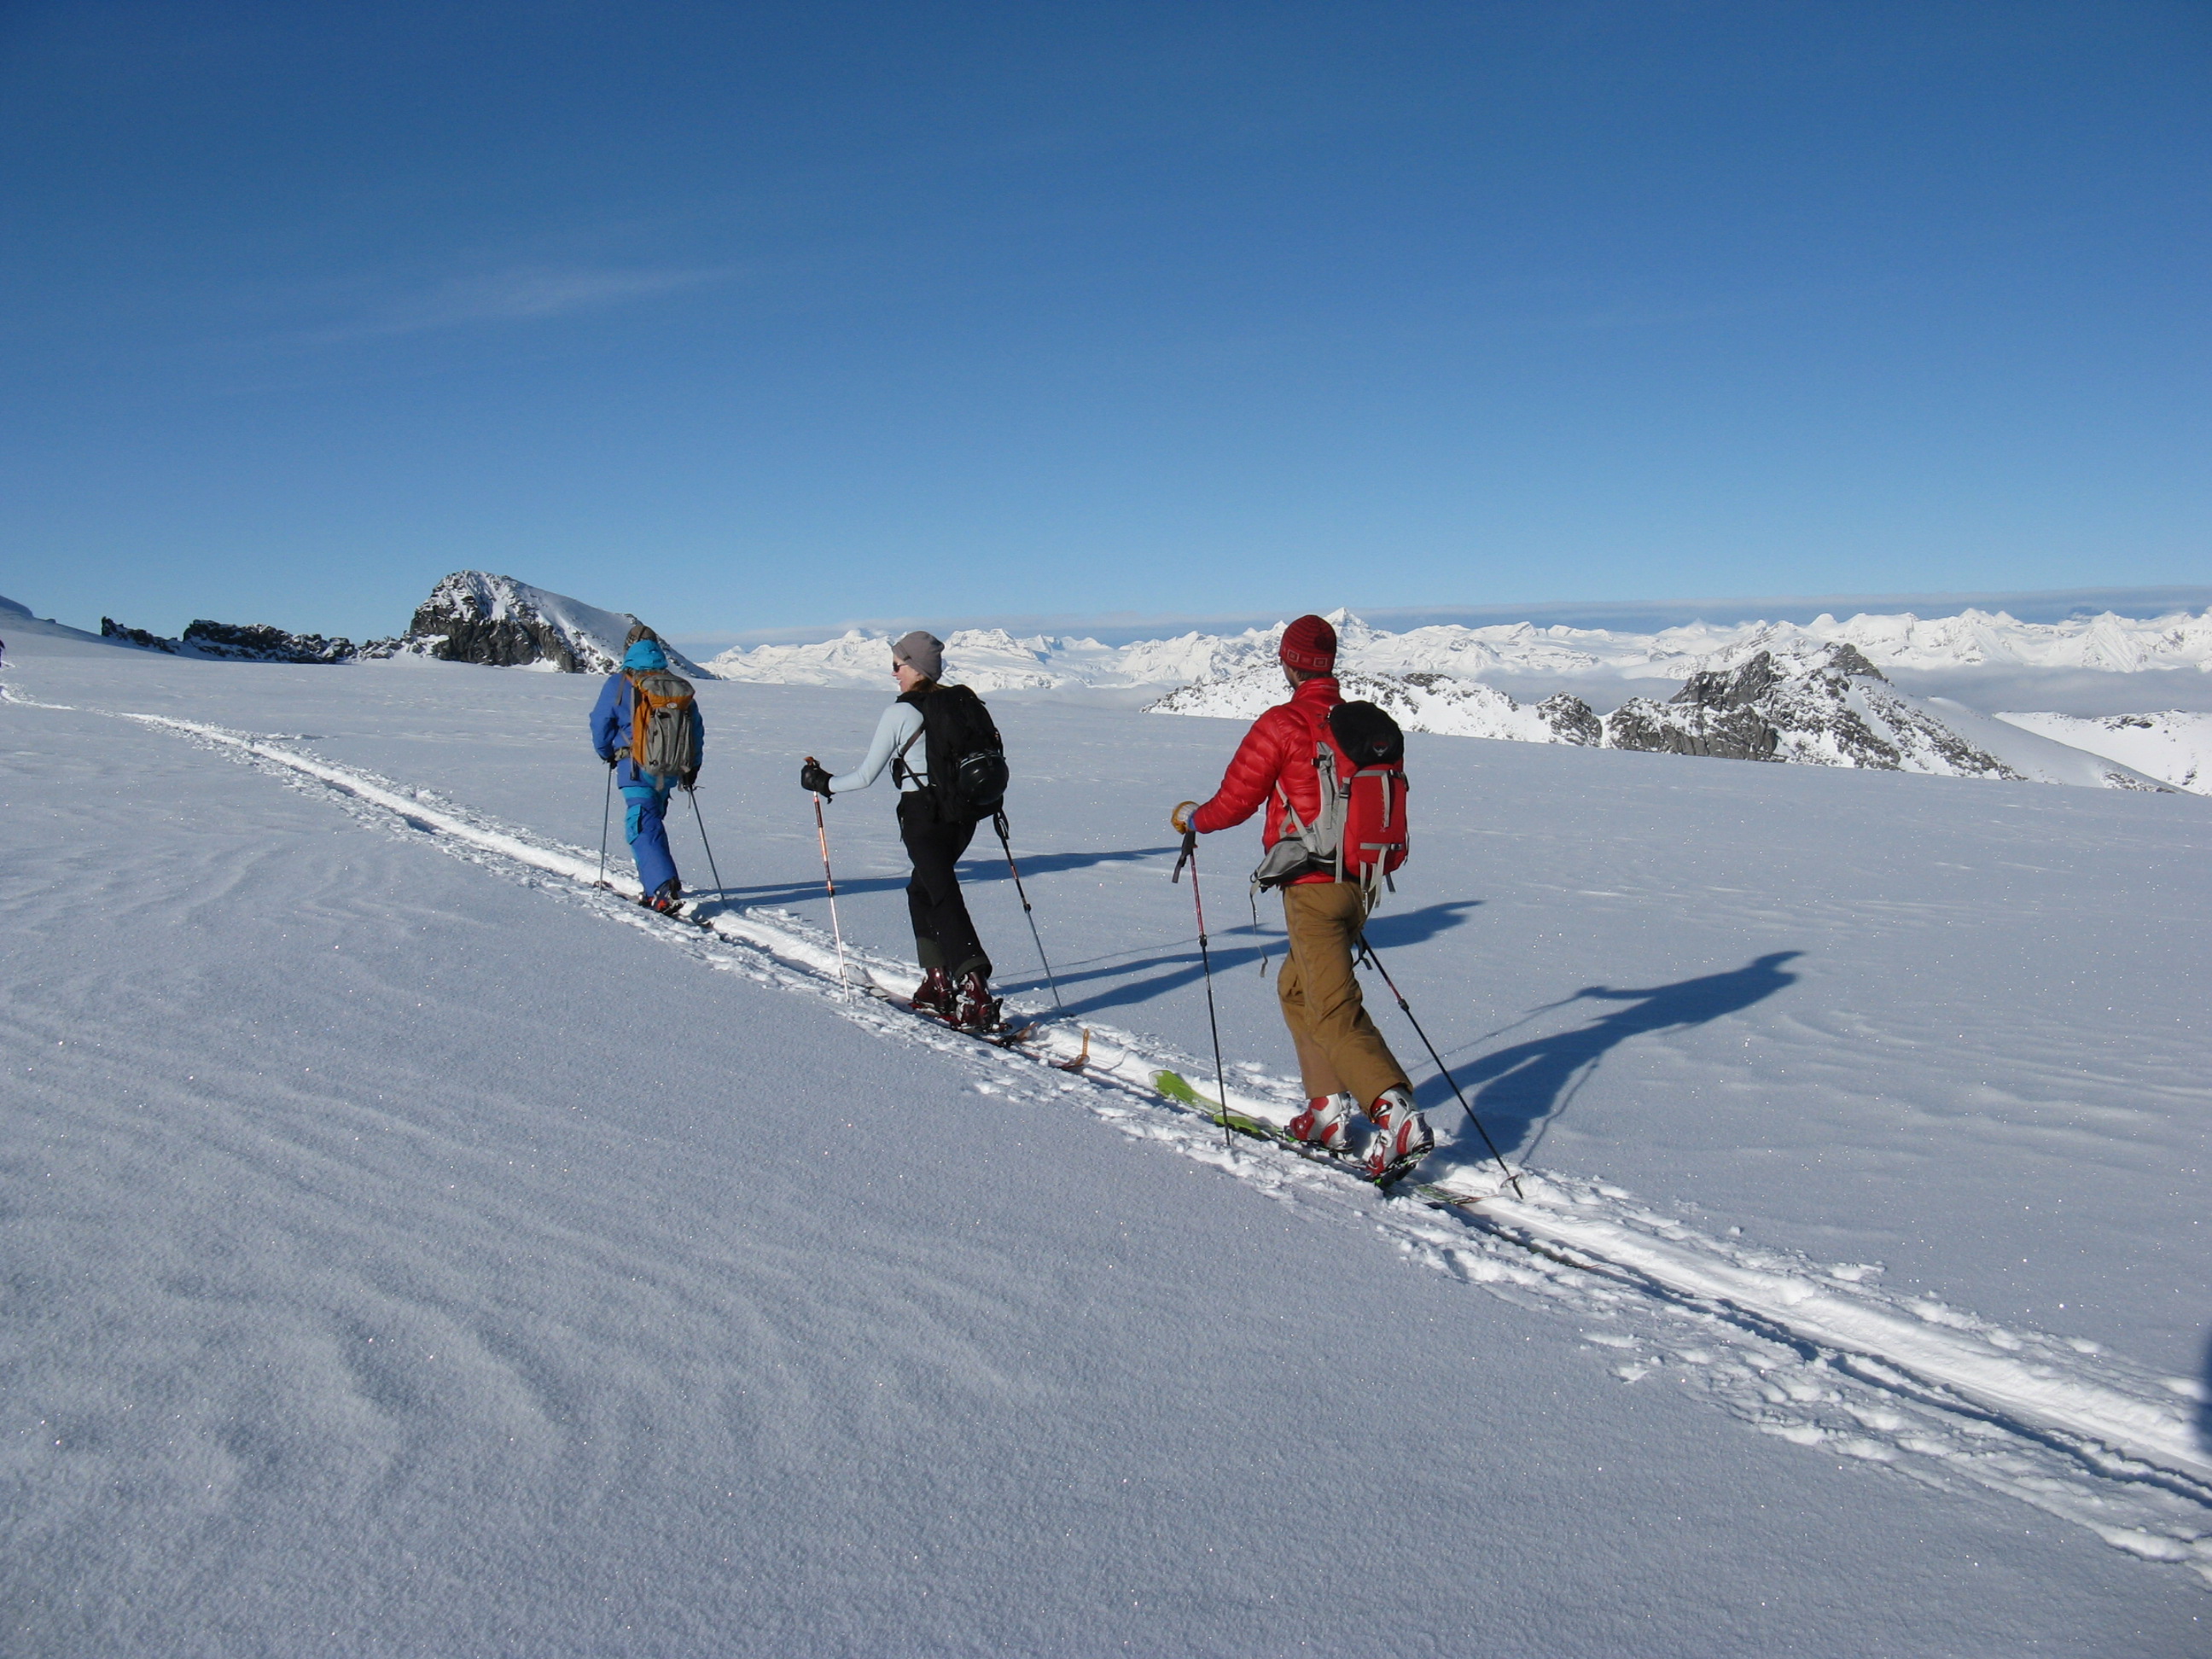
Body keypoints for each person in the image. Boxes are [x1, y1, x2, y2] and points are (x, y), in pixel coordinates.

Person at [1170, 613, 1435, 1177]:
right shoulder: (1365, 726)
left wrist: (1195, 819)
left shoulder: (1283, 723)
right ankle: (1327, 1110)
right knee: (1297, 987)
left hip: (1312, 888)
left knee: (1333, 1006)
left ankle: (1397, 1115)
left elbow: (1235, 800)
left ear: (1289, 663)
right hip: (1362, 885)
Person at [800, 630, 998, 1029]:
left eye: (898, 665)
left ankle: (975, 991)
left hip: (922, 816)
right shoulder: (961, 704)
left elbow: (864, 776)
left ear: (915, 666)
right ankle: (936, 981)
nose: (894, 673)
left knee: (941, 894)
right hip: (963, 816)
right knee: (922, 889)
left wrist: (821, 782)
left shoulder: (901, 713)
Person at [591, 626, 702, 913]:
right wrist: (692, 767)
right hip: (673, 767)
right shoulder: (676, 685)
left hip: (635, 767)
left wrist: (607, 753)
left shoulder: (620, 683)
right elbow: (696, 730)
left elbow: (600, 722)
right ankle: (655, 884)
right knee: (651, 822)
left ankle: (662, 889)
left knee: (641, 824)